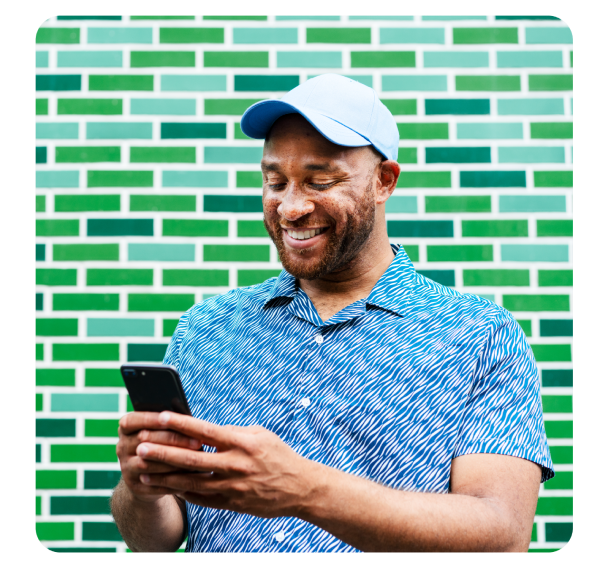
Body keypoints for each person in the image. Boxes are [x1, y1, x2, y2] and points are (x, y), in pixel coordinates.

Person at [111, 74, 554, 553]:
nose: (291, 207)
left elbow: (502, 534)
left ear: (384, 181)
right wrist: (142, 490)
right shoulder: (206, 328)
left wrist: (305, 489)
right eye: (275, 181)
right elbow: (155, 540)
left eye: (320, 181)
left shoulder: (478, 334)